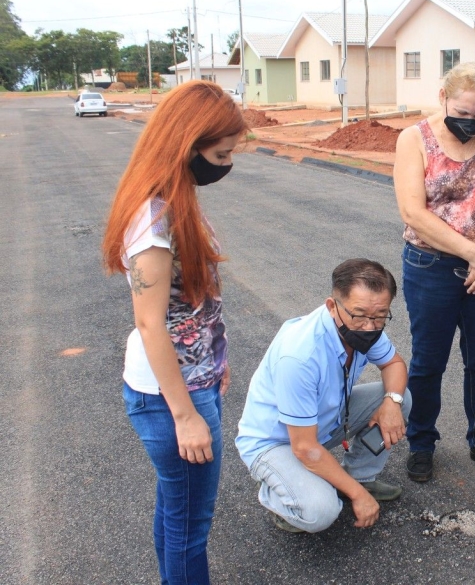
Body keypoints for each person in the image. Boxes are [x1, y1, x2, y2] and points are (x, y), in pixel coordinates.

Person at [101, 80, 247, 584]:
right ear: (188, 145)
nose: (227, 164)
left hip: (189, 383)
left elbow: (193, 306)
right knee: (189, 528)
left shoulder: (171, 198)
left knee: (176, 512)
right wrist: (185, 415)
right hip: (172, 395)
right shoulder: (154, 218)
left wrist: (216, 360)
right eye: (221, 153)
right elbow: (150, 323)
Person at [392, 61, 475, 483]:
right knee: (429, 361)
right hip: (431, 265)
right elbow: (413, 210)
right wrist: (473, 253)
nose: (469, 122)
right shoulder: (414, 140)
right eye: (462, 112)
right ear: (443, 96)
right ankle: (421, 443)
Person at [235, 259, 412, 533]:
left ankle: (360, 477)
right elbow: (304, 447)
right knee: (320, 512)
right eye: (360, 315)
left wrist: (392, 403)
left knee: (399, 397)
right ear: (332, 306)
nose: (369, 326)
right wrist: (358, 497)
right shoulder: (300, 355)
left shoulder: (364, 324)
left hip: (320, 424)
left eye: (380, 316)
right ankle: (277, 492)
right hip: (278, 442)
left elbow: (394, 364)